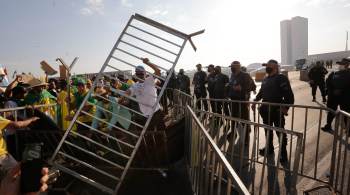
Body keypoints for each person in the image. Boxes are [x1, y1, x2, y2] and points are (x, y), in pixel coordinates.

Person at [253, 59, 294, 163]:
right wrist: (255, 101)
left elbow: (289, 96)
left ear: (275, 67)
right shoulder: (266, 79)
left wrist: (284, 108)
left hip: (277, 110)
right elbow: (261, 93)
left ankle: (283, 154)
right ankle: (269, 148)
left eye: (269, 66)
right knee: (268, 130)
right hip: (266, 110)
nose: (267, 67)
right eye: (266, 65)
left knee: (280, 132)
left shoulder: (281, 78)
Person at [121, 57, 165, 132]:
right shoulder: (135, 85)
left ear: (145, 73)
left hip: (156, 112)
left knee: (161, 133)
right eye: (138, 74)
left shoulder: (150, 80)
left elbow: (158, 71)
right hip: (146, 116)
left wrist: (148, 63)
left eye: (141, 73)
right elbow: (128, 92)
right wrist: (121, 98)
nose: (140, 75)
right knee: (149, 135)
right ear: (135, 75)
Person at [322, 58, 350, 132]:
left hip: (345, 98)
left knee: (346, 113)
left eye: (342, 64)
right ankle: (328, 125)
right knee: (331, 112)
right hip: (333, 97)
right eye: (340, 64)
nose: (340, 66)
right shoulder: (334, 73)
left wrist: (341, 90)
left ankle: (348, 129)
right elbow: (328, 82)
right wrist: (332, 90)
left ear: (347, 65)